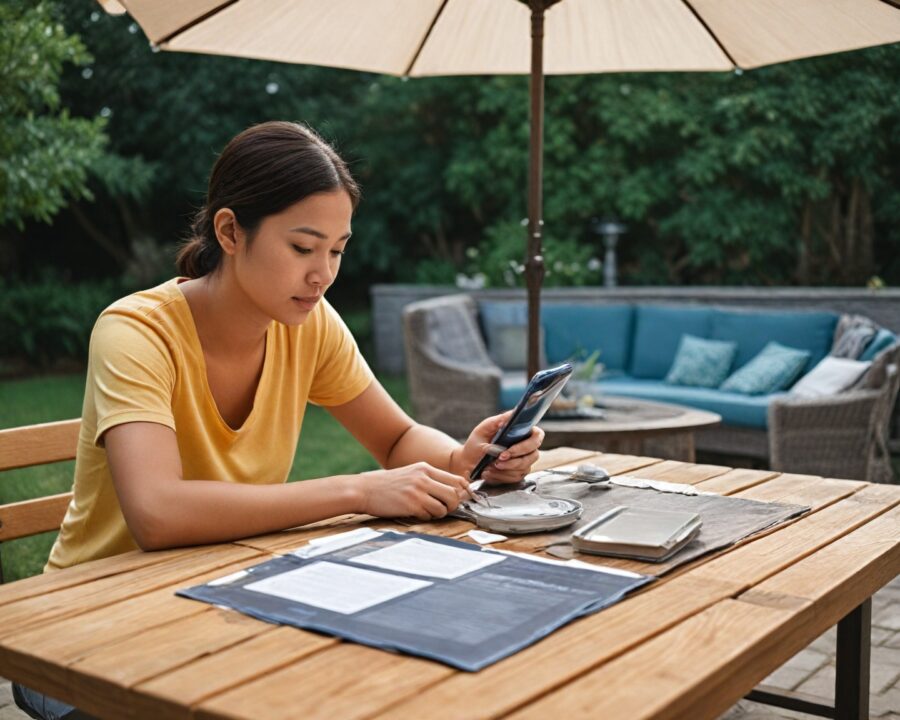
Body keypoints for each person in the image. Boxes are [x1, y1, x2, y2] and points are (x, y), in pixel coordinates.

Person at [14, 120, 544, 719]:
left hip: (215, 604)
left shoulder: (308, 324)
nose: (323, 274)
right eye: (302, 247)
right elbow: (157, 513)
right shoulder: (137, 334)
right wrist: (359, 491)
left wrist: (461, 459)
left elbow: (395, 436)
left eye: (337, 250)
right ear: (230, 231)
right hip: (84, 632)